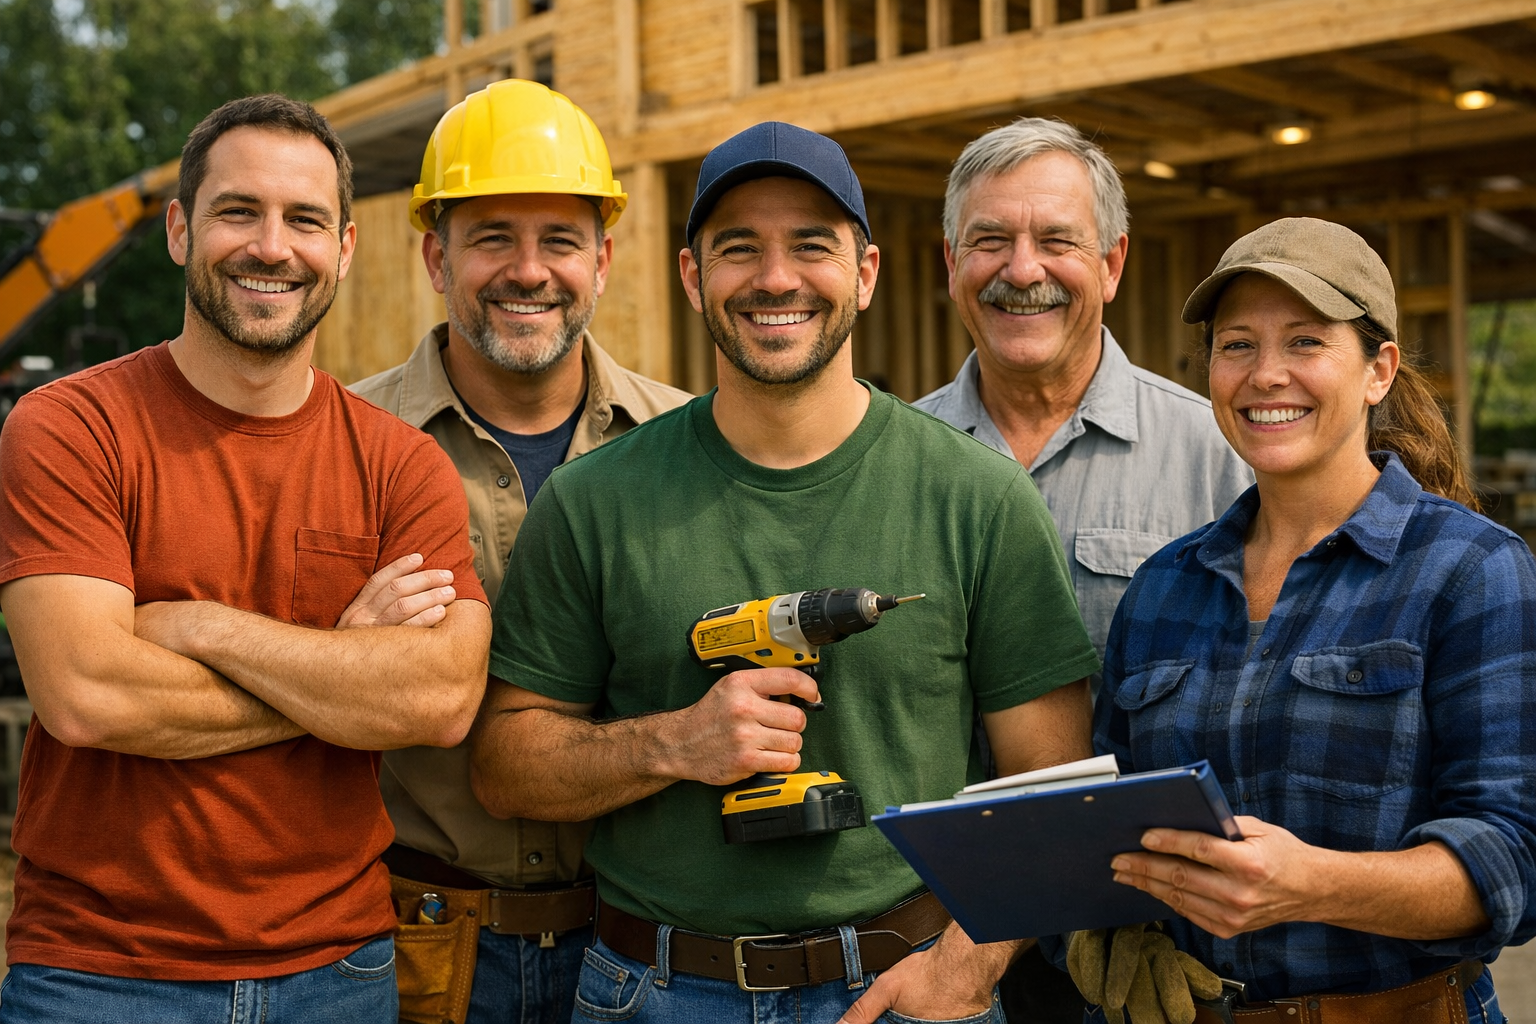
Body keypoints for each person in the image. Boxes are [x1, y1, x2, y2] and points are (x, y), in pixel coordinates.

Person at [468, 121, 1102, 1024]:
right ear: (694, 278)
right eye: (738, 249)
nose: (775, 279)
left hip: (905, 984)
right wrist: (674, 745)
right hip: (651, 991)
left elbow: (1057, 785)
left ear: (867, 273)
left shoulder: (979, 497)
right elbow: (504, 765)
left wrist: (965, 970)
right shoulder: (593, 500)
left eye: (812, 246)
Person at [0, 95, 491, 1023]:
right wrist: (340, 672)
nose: (272, 246)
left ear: (344, 248)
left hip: (336, 975)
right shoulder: (70, 427)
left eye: (305, 220)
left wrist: (195, 627)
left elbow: (438, 698)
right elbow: (87, 694)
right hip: (97, 977)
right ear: (181, 230)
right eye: (239, 212)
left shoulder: (400, 463)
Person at [1080, 218, 1534, 1023]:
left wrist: (1313, 885)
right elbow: (1106, 820)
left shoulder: (1472, 571)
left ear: (1378, 371)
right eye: (1237, 346)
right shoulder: (1162, 589)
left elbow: (1515, 859)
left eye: (1304, 342)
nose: (1266, 375)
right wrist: (1105, 932)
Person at [349, 79, 688, 1024]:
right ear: (434, 255)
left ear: (605, 260)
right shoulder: (342, 444)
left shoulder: (693, 445)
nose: (527, 270)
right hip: (413, 943)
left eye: (561, 241)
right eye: (492, 236)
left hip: (640, 947)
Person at [913, 117, 1251, 1023]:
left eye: (1057, 241)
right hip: (931, 946)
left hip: (1151, 953)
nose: (1022, 270)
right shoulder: (890, 465)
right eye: (990, 241)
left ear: (1111, 262)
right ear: (951, 262)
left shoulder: (1221, 457)